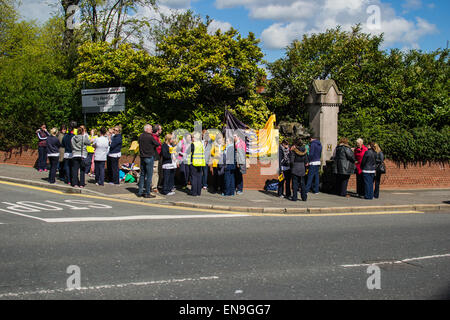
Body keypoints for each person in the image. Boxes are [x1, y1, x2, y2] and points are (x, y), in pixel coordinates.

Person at [138, 124, 160, 198]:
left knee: (142, 175)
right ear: (146, 129)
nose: (152, 130)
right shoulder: (150, 137)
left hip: (142, 157)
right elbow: (157, 144)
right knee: (149, 176)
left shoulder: (141, 136)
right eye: (150, 129)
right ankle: (147, 192)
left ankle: (140, 191)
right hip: (149, 157)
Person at [151, 124, 163, 193]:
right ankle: (154, 187)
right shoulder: (154, 137)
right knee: (155, 172)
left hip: (156, 156)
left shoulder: (157, 137)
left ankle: (154, 186)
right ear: (158, 130)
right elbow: (158, 148)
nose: (161, 130)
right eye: (160, 129)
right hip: (155, 156)